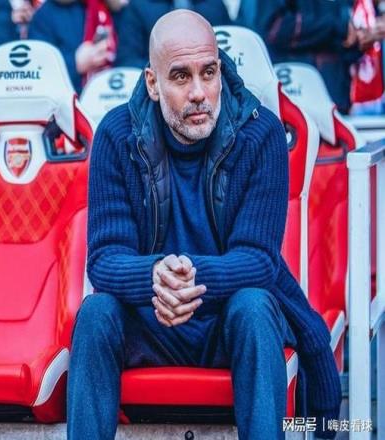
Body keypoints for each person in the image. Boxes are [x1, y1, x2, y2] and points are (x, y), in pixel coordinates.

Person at [68, 9, 341, 440]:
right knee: (95, 313)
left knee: (254, 306)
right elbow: (104, 259)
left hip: (228, 322)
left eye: (208, 73)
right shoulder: (117, 135)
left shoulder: (260, 133)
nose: (199, 93)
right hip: (152, 321)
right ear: (153, 83)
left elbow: (258, 261)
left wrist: (188, 277)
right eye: (181, 77)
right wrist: (154, 276)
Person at [236, 0, 360, 114]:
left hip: (335, 96)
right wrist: (338, 25)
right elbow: (273, 28)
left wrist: (357, 36)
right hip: (295, 96)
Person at [28, 0, 122, 92]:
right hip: (69, 96)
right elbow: (37, 72)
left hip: (112, 89)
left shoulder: (109, 8)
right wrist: (75, 64)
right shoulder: (44, 16)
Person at [115, 0, 231, 68]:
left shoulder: (215, 4)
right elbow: (127, 60)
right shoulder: (137, 7)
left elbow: (230, 51)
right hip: (157, 88)